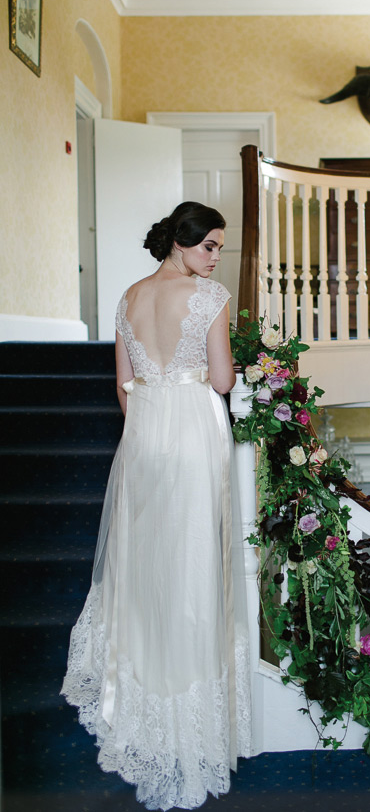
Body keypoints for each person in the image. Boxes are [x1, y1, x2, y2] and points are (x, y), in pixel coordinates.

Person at [61, 202, 251, 811]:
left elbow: (124, 386)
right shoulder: (211, 296)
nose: (216, 257)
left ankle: (142, 688)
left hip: (143, 434)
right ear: (181, 241)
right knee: (192, 563)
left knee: (146, 562)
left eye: (219, 248)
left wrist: (149, 427)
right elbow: (222, 380)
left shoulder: (128, 297)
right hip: (194, 431)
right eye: (210, 246)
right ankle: (184, 701)